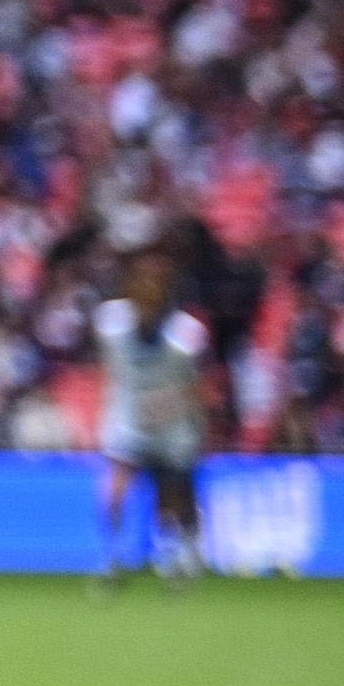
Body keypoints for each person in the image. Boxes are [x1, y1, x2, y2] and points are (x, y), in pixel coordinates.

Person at [92, 250, 214, 588]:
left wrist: (169, 404)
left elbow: (200, 388)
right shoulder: (111, 322)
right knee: (115, 488)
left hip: (173, 425)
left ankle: (177, 554)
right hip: (128, 418)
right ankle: (111, 556)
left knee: (172, 497)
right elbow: (110, 367)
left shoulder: (184, 334)